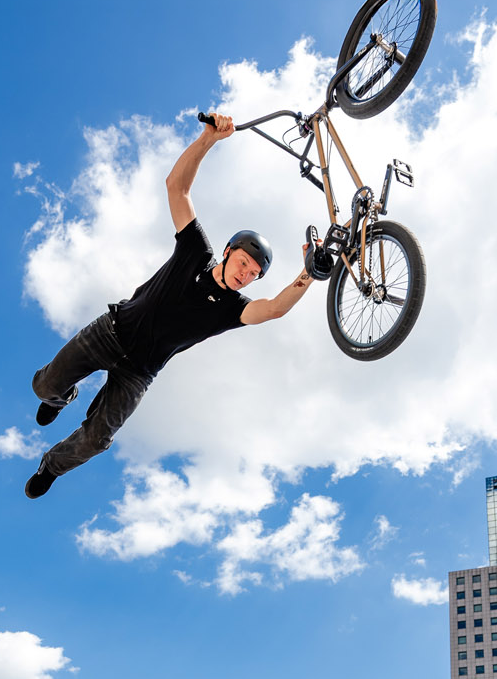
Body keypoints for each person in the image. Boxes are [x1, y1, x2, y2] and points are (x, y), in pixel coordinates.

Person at [23, 115, 317, 500]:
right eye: (244, 263)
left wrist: (309, 274)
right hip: (110, 332)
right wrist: (207, 139)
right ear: (228, 253)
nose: (245, 275)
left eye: (254, 274)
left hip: (139, 372)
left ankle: (50, 466)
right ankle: (61, 396)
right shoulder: (196, 252)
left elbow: (275, 308)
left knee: (97, 439)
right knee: (44, 386)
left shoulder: (233, 309)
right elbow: (177, 188)